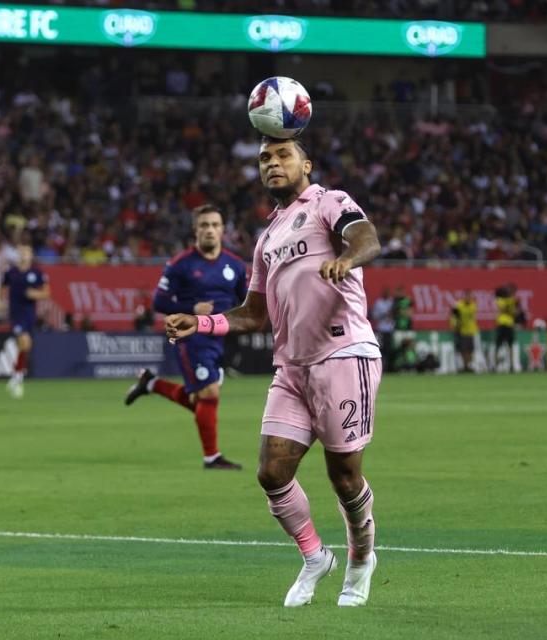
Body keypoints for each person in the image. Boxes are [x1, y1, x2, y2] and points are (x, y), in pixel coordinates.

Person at [164, 137, 383, 608]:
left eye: (283, 155)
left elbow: (368, 238)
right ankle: (314, 556)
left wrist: (347, 258)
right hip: (292, 369)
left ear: (306, 163)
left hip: (344, 355)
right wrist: (201, 323)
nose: (273, 163)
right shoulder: (267, 238)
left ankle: (361, 559)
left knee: (344, 476)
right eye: (265, 158)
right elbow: (254, 314)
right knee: (271, 472)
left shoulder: (330, 202)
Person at [124, 204, 247, 471]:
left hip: (219, 338)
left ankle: (151, 383)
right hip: (191, 337)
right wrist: (191, 309)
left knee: (201, 401)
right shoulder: (180, 264)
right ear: (195, 230)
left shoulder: (235, 266)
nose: (210, 230)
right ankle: (212, 457)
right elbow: (159, 301)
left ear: (223, 229)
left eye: (215, 225)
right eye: (204, 225)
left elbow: (246, 301)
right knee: (209, 394)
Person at [1, 245, 50, 399]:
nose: (23, 255)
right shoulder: (11, 272)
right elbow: (2, 287)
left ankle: (16, 376)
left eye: (26, 252)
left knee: (25, 346)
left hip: (29, 315)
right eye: (21, 252)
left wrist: (35, 293)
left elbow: (46, 293)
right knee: (24, 341)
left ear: (31, 255)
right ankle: (18, 377)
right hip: (16, 314)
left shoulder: (37, 273)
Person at [451, 290, 478, 373]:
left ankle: (468, 365)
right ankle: (464, 366)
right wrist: (455, 324)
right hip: (461, 330)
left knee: (470, 349)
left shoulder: (473, 305)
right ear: (464, 297)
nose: (468, 298)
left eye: (469, 296)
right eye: (467, 296)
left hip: (471, 330)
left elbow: (469, 314)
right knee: (463, 349)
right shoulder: (459, 305)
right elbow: (454, 315)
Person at [494, 284, 518, 372]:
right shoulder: (500, 300)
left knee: (510, 345)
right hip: (501, 323)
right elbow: (504, 310)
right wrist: (511, 309)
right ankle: (495, 365)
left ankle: (511, 365)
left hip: (509, 324)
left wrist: (512, 310)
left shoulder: (512, 300)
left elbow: (514, 312)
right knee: (498, 345)